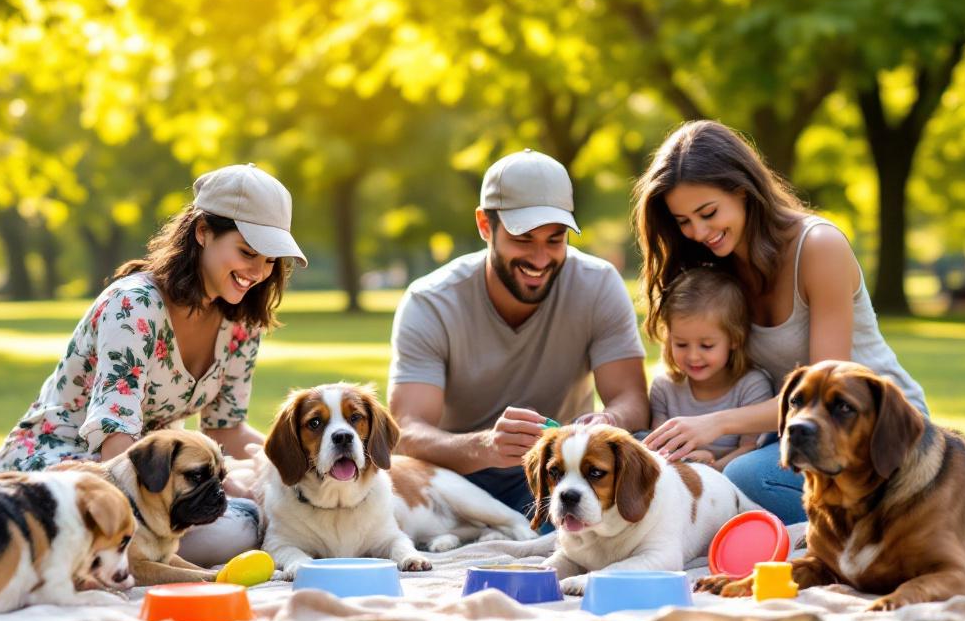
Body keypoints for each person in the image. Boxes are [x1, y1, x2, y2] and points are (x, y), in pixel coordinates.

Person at [634, 120, 926, 524]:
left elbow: (825, 395)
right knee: (640, 458)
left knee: (745, 476)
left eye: (708, 213)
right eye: (683, 221)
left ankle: (887, 522)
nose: (698, 232)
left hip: (869, 433)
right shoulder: (719, 265)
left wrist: (715, 425)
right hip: (793, 435)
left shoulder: (818, 247)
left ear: (743, 190)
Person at [0, 163, 307, 481]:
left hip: (154, 468)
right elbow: (115, 442)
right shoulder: (134, 306)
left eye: (269, 261)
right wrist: (227, 496)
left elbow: (226, 431)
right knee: (237, 522)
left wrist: (304, 465)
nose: (259, 273)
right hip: (66, 464)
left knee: (258, 498)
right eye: (247, 252)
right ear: (203, 232)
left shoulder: (241, 321)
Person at [388, 149, 649, 518]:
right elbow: (406, 431)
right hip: (457, 479)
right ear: (484, 226)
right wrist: (484, 447)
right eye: (523, 239)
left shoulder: (598, 284)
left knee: (638, 452)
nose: (541, 259)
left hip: (558, 478)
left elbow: (632, 400)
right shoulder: (430, 301)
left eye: (555, 240)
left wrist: (609, 421)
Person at [648, 267, 774, 471]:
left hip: (729, 479)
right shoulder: (664, 388)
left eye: (706, 345)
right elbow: (658, 449)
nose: (693, 356)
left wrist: (709, 466)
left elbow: (749, 449)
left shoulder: (751, 386)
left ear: (733, 339)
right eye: (681, 344)